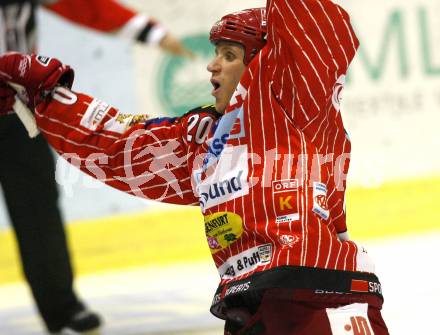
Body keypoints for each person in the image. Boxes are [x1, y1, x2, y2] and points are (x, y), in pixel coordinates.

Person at [0, 0, 390, 334]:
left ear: (264, 61)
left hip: (320, 295)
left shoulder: (296, 101)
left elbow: (316, 24)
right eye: (216, 53)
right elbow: (121, 147)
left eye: (230, 55)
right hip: (250, 307)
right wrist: (45, 94)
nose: (212, 66)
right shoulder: (204, 139)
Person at [0, 0, 192, 334]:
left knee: (38, 212)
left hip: (18, 109)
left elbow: (82, 5)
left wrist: (150, 31)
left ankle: (61, 310)